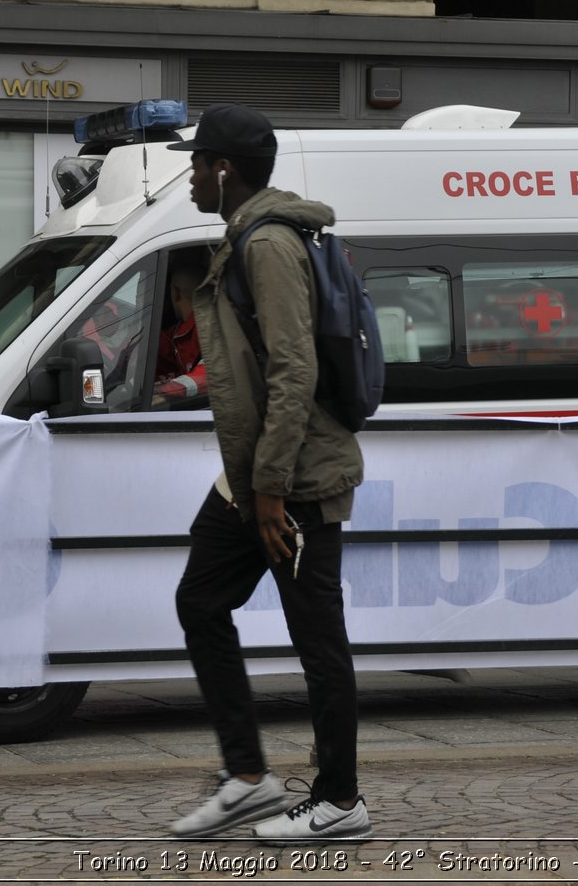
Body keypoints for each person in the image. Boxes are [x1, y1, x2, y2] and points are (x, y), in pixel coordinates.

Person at [164, 103, 370, 844]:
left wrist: (272, 489)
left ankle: (341, 799)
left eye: (196, 164)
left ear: (224, 171)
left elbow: (294, 370)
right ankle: (249, 776)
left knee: (319, 637)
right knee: (199, 598)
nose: (187, 176)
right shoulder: (243, 238)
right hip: (253, 475)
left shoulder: (270, 245)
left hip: (297, 480)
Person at [153, 257, 208, 407]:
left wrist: (164, 393)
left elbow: (211, 373)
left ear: (175, 293)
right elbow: (153, 350)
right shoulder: (179, 331)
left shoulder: (208, 329)